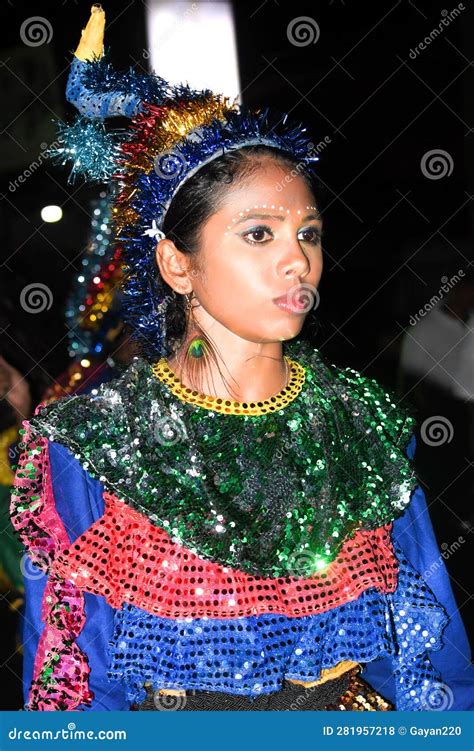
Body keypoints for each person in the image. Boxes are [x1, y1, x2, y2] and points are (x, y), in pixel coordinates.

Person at [10, 5, 473, 712]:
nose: (298, 258)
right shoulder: (92, 444)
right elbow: (72, 683)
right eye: (259, 233)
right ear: (176, 262)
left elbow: (429, 670)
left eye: (309, 232)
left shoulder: (362, 428)